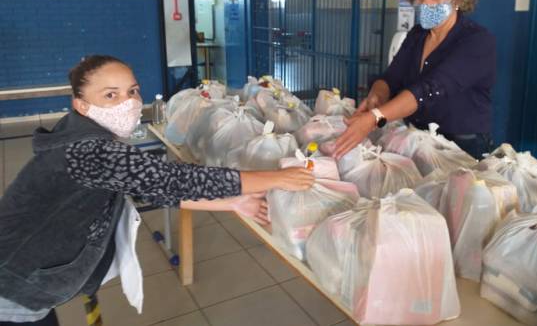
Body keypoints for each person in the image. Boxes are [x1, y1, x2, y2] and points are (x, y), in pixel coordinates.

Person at [0, 55, 315, 326]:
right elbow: (174, 180)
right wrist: (276, 178)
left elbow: (155, 190)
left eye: (133, 91)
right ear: (81, 105)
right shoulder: (89, 151)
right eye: (111, 95)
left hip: (28, 286)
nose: (129, 102)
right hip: (12, 287)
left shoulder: (84, 137)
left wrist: (233, 203)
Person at [334, 0, 496, 160]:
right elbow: (392, 76)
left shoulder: (477, 41)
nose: (425, 4)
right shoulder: (418, 35)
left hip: (461, 145)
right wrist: (378, 94)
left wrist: (375, 118)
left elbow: (430, 89)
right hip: (418, 139)